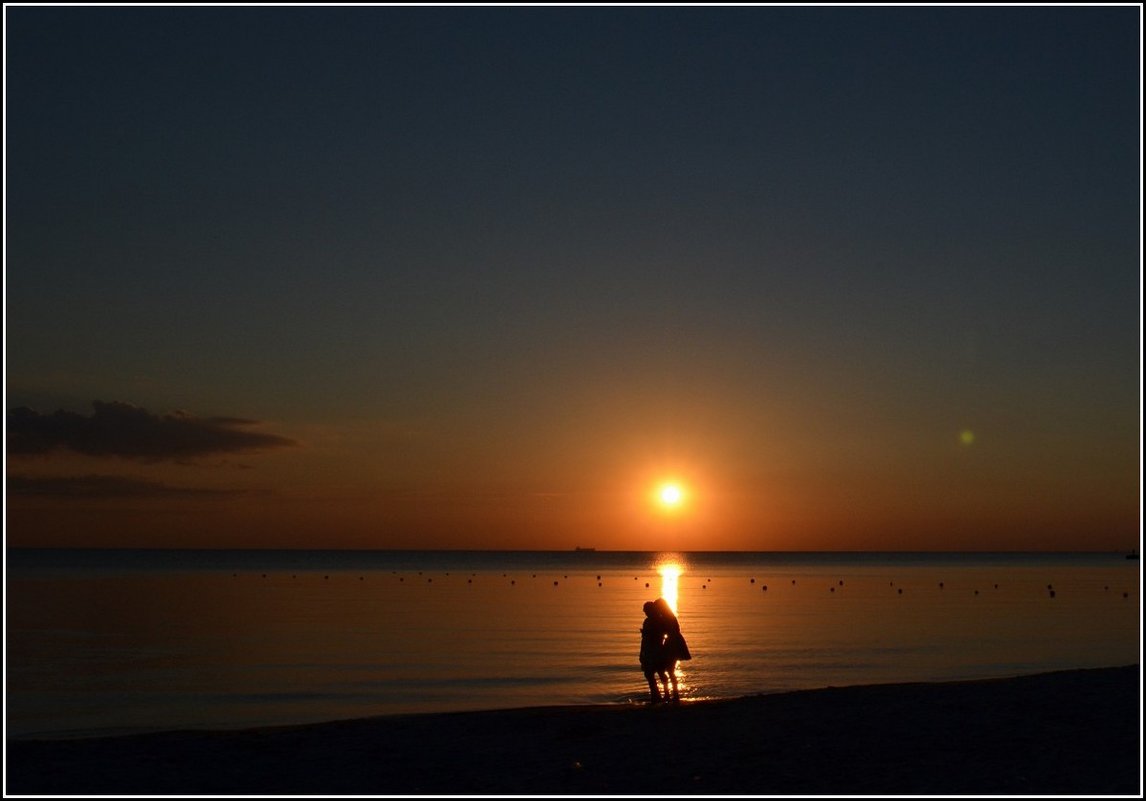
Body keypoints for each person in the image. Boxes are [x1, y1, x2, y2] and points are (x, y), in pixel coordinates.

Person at [639, 598, 691, 703]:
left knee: (669, 671)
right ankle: (668, 694)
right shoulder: (663, 618)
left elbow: (666, 631)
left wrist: (649, 633)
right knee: (667, 671)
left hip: (673, 645)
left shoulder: (667, 618)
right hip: (670, 644)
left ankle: (672, 695)